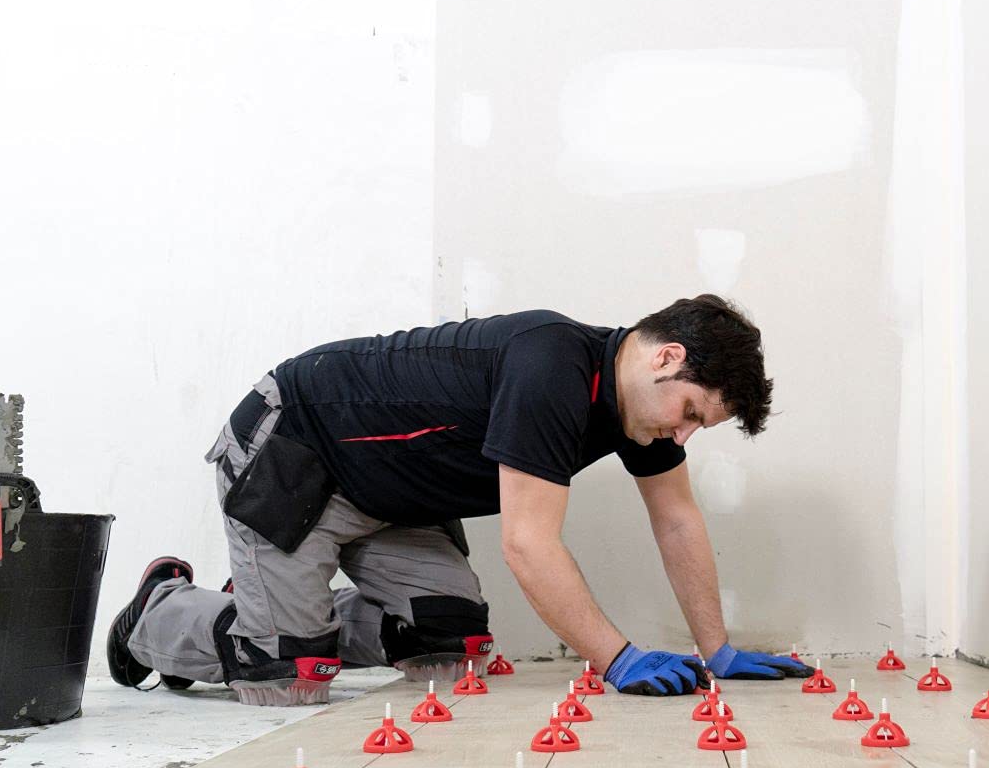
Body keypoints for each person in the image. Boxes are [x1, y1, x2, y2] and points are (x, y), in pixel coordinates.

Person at [104, 294, 813, 698]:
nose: (682, 436)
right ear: (666, 358)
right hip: (297, 455)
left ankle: (282, 605)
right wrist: (616, 658)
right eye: (690, 413)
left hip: (395, 502)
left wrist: (716, 649)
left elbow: (678, 522)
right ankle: (162, 611)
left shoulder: (641, 411)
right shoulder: (551, 368)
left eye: (698, 428)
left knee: (449, 647)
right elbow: (527, 544)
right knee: (291, 676)